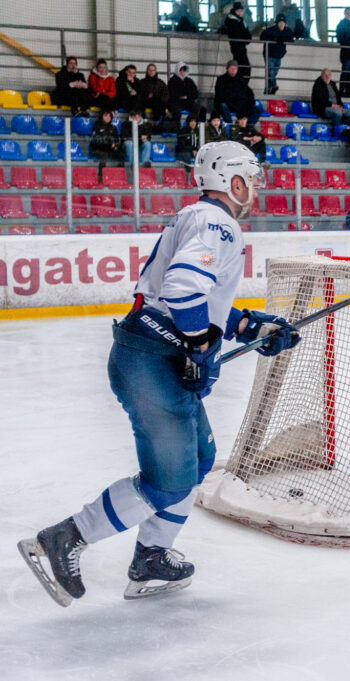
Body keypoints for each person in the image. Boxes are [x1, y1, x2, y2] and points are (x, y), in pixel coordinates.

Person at [18, 141, 298, 608]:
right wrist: (199, 347)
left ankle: (151, 558)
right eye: (251, 177)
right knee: (168, 481)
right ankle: (63, 538)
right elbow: (183, 290)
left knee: (198, 461)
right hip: (151, 362)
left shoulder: (197, 217)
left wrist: (249, 326)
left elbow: (198, 301)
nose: (256, 186)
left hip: (150, 356)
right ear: (233, 181)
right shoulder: (217, 223)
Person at [260, 14, 294, 95]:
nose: (281, 24)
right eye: (280, 23)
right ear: (277, 23)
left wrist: (283, 38)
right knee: (271, 72)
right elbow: (262, 37)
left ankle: (268, 89)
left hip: (279, 55)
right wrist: (274, 39)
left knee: (272, 73)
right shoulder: (270, 30)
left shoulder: (287, 31)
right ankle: (274, 86)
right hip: (270, 54)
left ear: (285, 23)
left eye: (283, 23)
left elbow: (291, 39)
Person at [219, 2, 252, 81]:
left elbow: (246, 35)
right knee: (245, 68)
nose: (240, 13)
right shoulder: (233, 21)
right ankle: (241, 84)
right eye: (238, 11)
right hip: (237, 47)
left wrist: (245, 38)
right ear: (235, 11)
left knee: (241, 68)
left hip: (239, 47)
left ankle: (239, 83)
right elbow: (240, 35)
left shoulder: (239, 20)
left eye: (241, 11)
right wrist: (245, 38)